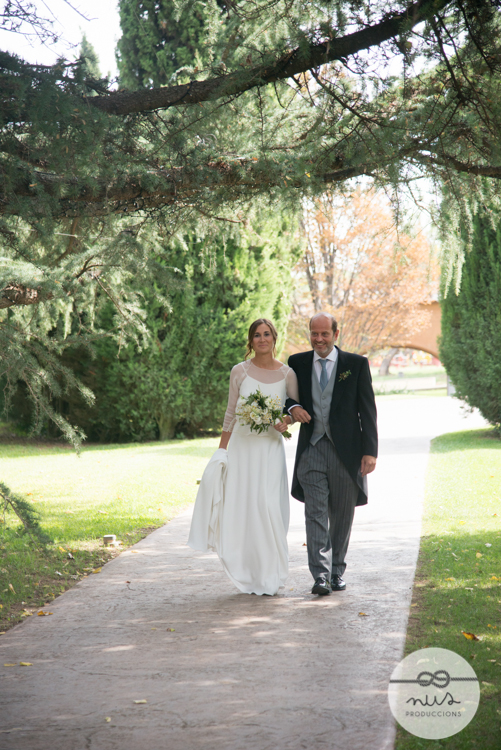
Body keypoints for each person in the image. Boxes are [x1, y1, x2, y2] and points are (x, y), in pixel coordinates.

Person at [188, 318, 299, 596]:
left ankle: (270, 572)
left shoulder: (288, 374)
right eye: (257, 335)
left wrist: (285, 421)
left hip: (270, 449)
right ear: (251, 341)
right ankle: (248, 570)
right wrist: (222, 451)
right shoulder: (239, 371)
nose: (262, 339)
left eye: (267, 334)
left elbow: (293, 410)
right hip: (241, 448)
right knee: (245, 508)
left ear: (274, 338)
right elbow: (230, 413)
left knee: (268, 506)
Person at [285, 312, 378, 596]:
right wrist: (292, 408)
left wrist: (370, 451)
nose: (319, 339)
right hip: (312, 449)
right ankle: (321, 576)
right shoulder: (297, 363)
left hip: (347, 453)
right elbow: (284, 395)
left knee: (341, 515)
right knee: (315, 514)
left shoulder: (356, 364)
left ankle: (337, 571)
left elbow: (367, 410)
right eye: (314, 333)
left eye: (324, 334)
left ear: (336, 334)